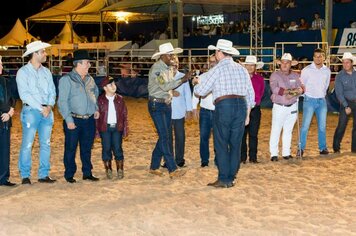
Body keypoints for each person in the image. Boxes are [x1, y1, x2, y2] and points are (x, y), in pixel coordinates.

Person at [194, 39, 255, 188]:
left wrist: (196, 83)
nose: (215, 54)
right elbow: (250, 95)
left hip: (224, 106)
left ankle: (224, 178)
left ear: (220, 53)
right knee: (235, 143)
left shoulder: (217, 69)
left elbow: (201, 92)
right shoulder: (242, 69)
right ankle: (232, 176)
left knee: (221, 142)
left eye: (216, 52)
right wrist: (247, 115)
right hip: (241, 105)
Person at [147, 42, 192, 178]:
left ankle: (154, 166)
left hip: (164, 104)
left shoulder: (166, 68)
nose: (172, 57)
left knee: (164, 135)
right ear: (164, 56)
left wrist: (171, 94)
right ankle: (172, 168)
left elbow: (167, 88)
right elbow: (166, 86)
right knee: (165, 136)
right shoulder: (157, 69)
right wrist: (183, 80)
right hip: (157, 105)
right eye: (171, 55)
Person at [16, 41, 56, 185]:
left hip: (46, 111)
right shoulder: (23, 72)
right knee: (28, 143)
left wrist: (50, 106)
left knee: (45, 143)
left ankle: (43, 174)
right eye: (43, 52)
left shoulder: (46, 72)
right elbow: (24, 95)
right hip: (32, 111)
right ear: (35, 54)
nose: (45, 54)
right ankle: (25, 174)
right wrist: (43, 108)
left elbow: (52, 91)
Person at [58, 49, 100, 183]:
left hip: (89, 119)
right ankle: (69, 174)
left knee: (87, 147)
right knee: (71, 148)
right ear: (78, 64)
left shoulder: (90, 79)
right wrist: (68, 120)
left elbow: (95, 94)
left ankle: (87, 172)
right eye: (87, 63)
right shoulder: (67, 79)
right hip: (73, 119)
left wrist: (96, 108)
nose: (89, 65)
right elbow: (62, 101)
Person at [269, 53, 304, 161]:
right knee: (276, 129)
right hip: (279, 106)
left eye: (287, 63)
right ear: (280, 64)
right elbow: (274, 89)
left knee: (288, 130)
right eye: (283, 63)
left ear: (290, 64)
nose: (284, 65)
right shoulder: (275, 75)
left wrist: (292, 93)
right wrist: (290, 92)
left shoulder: (296, 75)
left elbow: (301, 88)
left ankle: (286, 153)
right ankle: (274, 154)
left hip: (293, 106)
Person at [299, 48, 331, 157]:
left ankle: (323, 148)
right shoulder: (306, 70)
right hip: (309, 100)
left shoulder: (327, 71)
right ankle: (300, 148)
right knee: (305, 126)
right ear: (313, 58)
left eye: (320, 56)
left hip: (322, 101)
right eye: (316, 56)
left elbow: (326, 86)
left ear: (323, 58)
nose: (318, 58)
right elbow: (302, 85)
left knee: (322, 126)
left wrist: (321, 95)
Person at [96, 76, 128, 179]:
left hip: (117, 128)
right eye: (110, 85)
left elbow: (124, 115)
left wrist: (125, 129)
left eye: (114, 84)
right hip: (105, 128)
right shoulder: (100, 100)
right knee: (106, 148)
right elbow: (96, 118)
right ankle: (108, 169)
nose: (113, 86)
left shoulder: (120, 99)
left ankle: (120, 169)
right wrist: (97, 131)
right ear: (105, 88)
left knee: (118, 147)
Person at [192, 54, 216, 167]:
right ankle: (204, 160)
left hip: (218, 111)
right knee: (204, 136)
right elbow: (196, 93)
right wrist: (194, 107)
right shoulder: (203, 76)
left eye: (214, 61)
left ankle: (218, 158)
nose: (212, 63)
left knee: (219, 137)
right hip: (205, 110)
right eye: (210, 61)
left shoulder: (220, 76)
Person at [240, 55, 265, 164]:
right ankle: (242, 157)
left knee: (253, 134)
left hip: (254, 108)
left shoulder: (260, 79)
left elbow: (260, 94)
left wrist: (253, 103)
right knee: (242, 134)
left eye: (252, 65)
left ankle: (253, 156)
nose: (250, 67)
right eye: (248, 65)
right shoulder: (239, 78)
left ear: (255, 67)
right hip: (242, 108)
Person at [169, 55, 193, 167]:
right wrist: (171, 92)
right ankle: (168, 159)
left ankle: (179, 159)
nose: (175, 64)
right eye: (173, 62)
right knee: (167, 136)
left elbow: (188, 94)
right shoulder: (164, 76)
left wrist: (189, 109)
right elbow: (158, 89)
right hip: (166, 111)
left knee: (180, 136)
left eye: (177, 62)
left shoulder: (183, 76)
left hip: (179, 111)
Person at [333, 52, 356, 153]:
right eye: (344, 62)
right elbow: (339, 93)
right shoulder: (340, 76)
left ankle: (354, 149)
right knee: (341, 125)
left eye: (347, 62)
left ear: (352, 63)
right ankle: (336, 147)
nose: (345, 64)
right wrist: (346, 106)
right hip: (346, 102)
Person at [0, 55, 16, 187]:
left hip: (6, 120)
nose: (1, 66)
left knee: (5, 149)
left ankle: (4, 178)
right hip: (2, 116)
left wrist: (11, 111)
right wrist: (5, 111)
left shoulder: (5, 81)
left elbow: (12, 98)